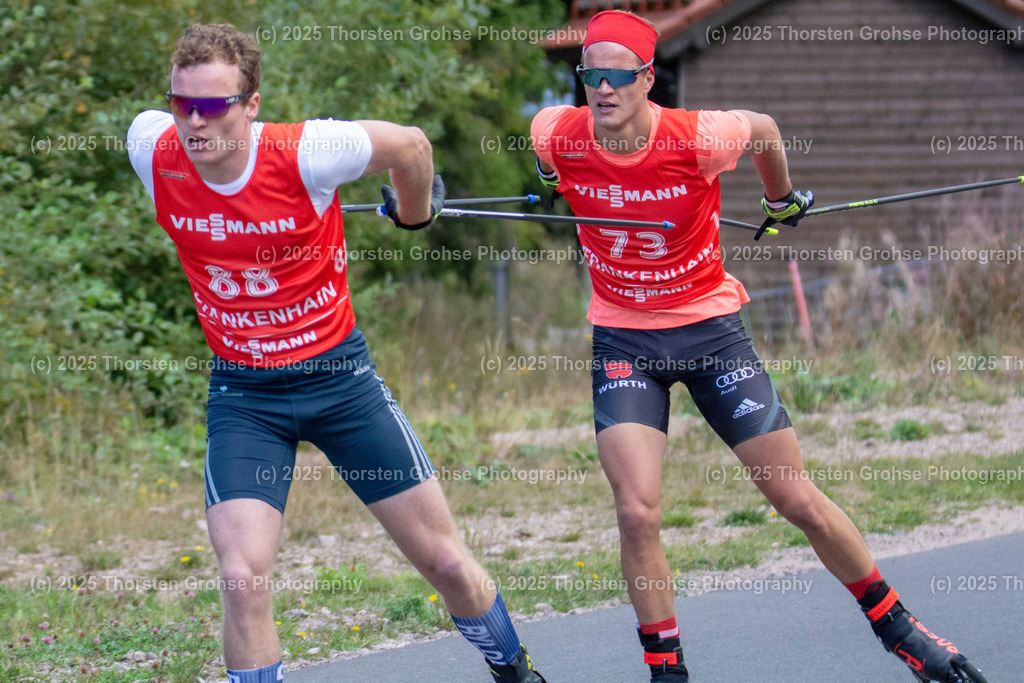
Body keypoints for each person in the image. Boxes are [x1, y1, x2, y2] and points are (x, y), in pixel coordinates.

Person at [530, 10, 985, 683]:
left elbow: (766, 130)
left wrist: (781, 199)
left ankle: (902, 629)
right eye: (590, 76)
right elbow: (547, 160)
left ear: (647, 79)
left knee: (794, 497)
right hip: (626, 337)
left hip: (711, 331)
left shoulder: (699, 137)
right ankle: (668, 672)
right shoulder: (554, 135)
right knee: (635, 509)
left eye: (617, 76)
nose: (602, 89)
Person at [127, 23, 544, 683]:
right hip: (247, 397)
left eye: (214, 106)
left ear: (253, 103)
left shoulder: (309, 152)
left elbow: (411, 145)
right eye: (183, 104)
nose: (194, 122)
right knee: (241, 576)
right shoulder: (150, 147)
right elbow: (160, 126)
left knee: (444, 562)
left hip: (341, 384)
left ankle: (513, 667)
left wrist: (413, 214)